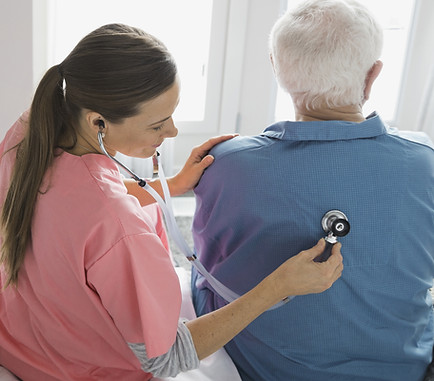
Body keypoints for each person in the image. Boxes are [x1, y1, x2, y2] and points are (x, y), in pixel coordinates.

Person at [0, 23, 344, 380]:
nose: (173, 132)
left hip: (20, 343)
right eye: (157, 125)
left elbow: (74, 209)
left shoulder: (29, 133)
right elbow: (165, 358)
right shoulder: (120, 229)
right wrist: (279, 286)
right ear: (98, 121)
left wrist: (173, 185)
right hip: (78, 371)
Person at [191, 1, 434, 380]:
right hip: (400, 369)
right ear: (373, 76)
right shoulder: (425, 161)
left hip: (265, 371)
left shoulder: (223, 163)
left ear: (276, 67)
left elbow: (206, 265)